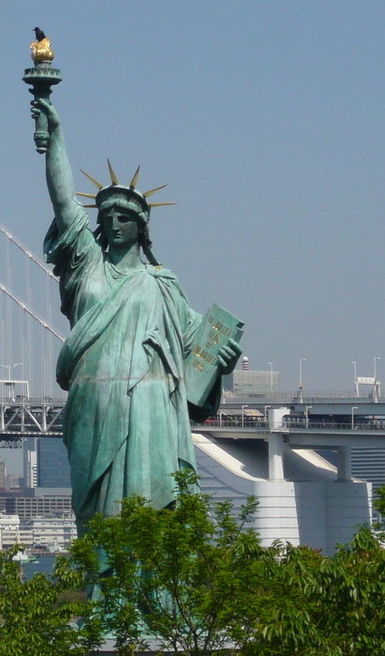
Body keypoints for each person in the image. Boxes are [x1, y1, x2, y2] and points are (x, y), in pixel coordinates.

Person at [31, 96, 240, 538]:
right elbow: (64, 202)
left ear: (142, 226)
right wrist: (56, 138)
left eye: (125, 216)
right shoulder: (86, 264)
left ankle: (153, 602)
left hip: (151, 408)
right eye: (107, 215)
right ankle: (106, 601)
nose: (114, 222)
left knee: (153, 509)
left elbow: (194, 353)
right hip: (94, 401)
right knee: (100, 514)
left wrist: (223, 359)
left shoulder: (163, 283)